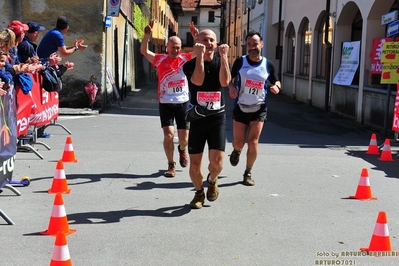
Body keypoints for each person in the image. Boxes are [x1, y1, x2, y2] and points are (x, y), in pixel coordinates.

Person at [140, 20, 197, 178]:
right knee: (168, 135)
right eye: (173, 47)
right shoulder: (160, 59)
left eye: (178, 47)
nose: (176, 50)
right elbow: (144, 51)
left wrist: (195, 38)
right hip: (165, 103)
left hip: (183, 103)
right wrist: (146, 35)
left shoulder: (184, 59)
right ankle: (171, 165)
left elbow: (200, 52)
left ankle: (182, 150)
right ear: (167, 47)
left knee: (184, 139)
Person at [182, 29, 231, 209]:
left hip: (217, 118)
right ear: (197, 43)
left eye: (212, 40)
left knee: (217, 163)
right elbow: (198, 81)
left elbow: (225, 82)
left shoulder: (222, 62)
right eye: (204, 40)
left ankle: (212, 180)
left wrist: (224, 57)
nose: (208, 43)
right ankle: (198, 192)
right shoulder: (189, 65)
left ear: (216, 44)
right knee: (195, 164)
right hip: (197, 119)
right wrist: (199, 56)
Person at [228, 31, 281, 186]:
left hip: (259, 108)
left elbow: (276, 81)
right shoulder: (240, 62)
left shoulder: (267, 64)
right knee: (239, 142)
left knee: (253, 142)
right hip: (240, 106)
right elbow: (229, 80)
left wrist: (276, 87)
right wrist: (231, 87)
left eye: (255, 44)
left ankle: (248, 172)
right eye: (249, 44)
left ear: (261, 45)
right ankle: (237, 151)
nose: (252, 47)